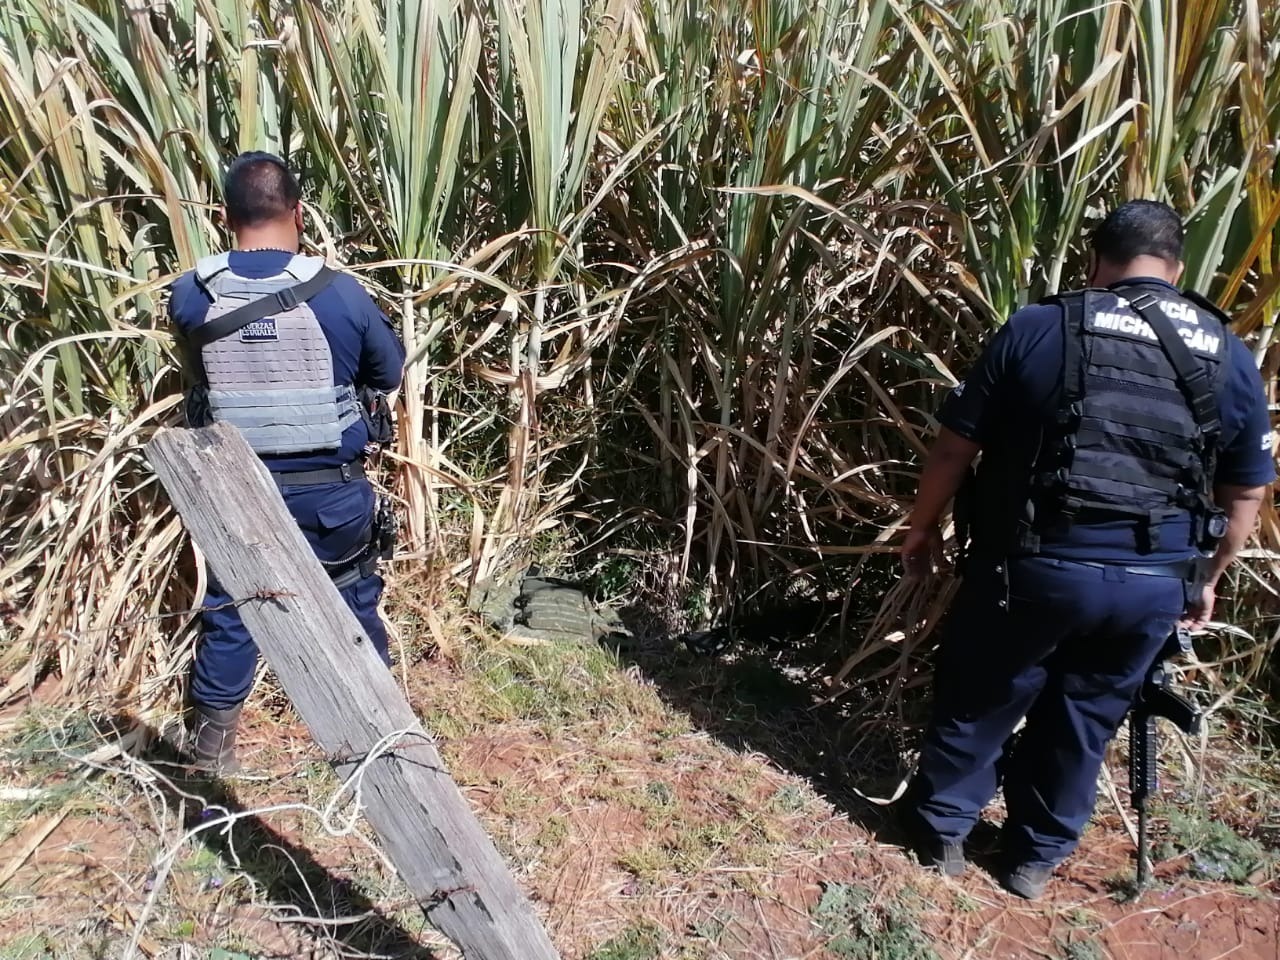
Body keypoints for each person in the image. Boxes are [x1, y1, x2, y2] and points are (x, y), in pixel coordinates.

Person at [897, 200, 1273, 899]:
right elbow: (1244, 494)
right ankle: (1033, 859)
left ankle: (941, 831)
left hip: (1036, 568)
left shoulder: (1045, 326)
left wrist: (921, 527)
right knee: (1087, 715)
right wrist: (1207, 577)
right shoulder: (1228, 352)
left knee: (985, 692)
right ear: (1178, 268)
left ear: (1097, 261)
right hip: (1153, 583)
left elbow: (956, 445)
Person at [169, 152, 405, 773]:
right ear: (298, 213)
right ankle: (381, 741)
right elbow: (388, 372)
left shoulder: (191, 293)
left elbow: (197, 374)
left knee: (233, 610)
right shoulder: (338, 292)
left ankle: (213, 746)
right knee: (353, 600)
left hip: (235, 489)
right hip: (331, 493)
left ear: (226, 218)